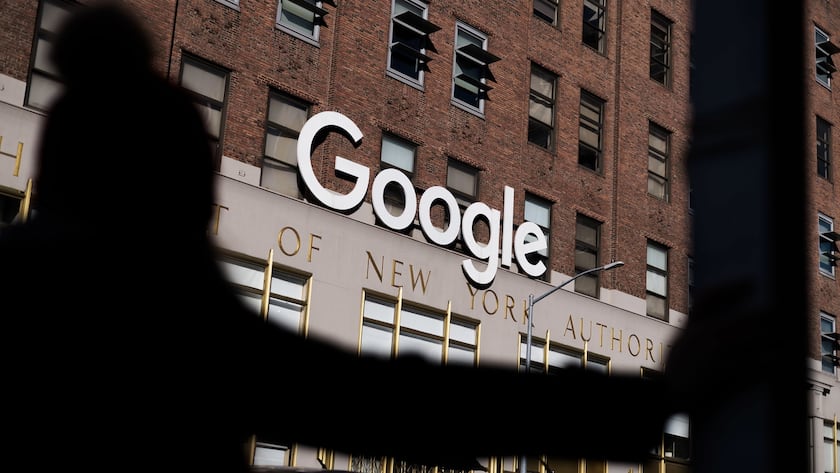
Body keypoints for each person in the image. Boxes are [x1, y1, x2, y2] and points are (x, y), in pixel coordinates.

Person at [0, 3, 672, 472]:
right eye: (200, 174)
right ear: (165, 197)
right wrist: (660, 397)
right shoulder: (178, 318)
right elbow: (378, 403)